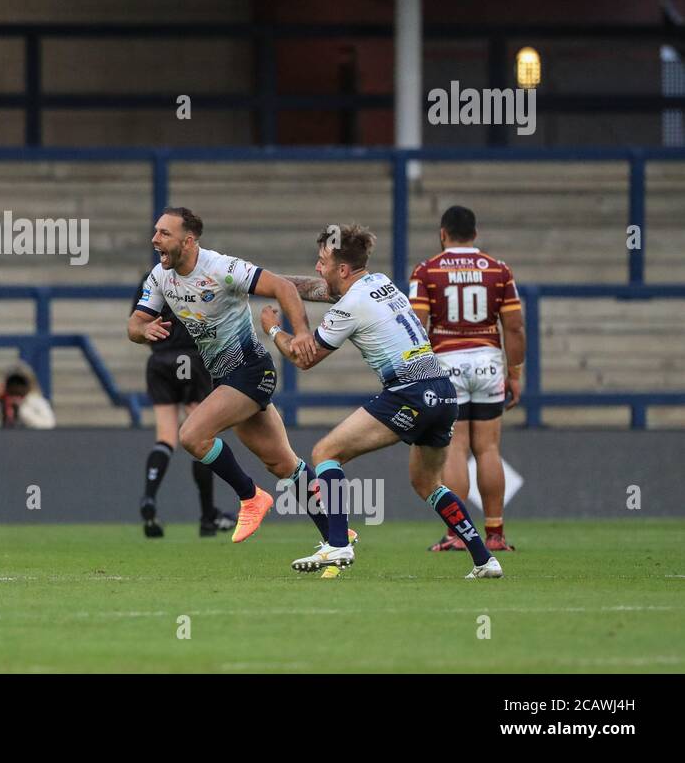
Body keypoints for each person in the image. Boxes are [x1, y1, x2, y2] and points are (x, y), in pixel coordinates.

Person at [264, 224, 502, 579]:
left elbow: (304, 359)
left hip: (410, 391)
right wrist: (268, 281)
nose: (317, 267)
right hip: (443, 391)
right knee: (428, 484)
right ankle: (485, 560)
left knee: (326, 453)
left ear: (342, 269)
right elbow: (317, 288)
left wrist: (272, 328)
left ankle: (337, 542)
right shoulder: (379, 284)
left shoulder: (351, 306)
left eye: (322, 261)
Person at [127, 207, 337, 547]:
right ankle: (336, 535)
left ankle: (251, 497)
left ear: (189, 241)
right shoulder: (160, 278)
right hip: (224, 378)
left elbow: (283, 287)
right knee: (283, 464)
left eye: (164, 233)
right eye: (156, 232)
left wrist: (300, 333)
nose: (155, 240)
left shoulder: (222, 268)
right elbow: (134, 324)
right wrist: (143, 329)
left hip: (251, 370)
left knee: (192, 436)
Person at [410, 206, 524, 553]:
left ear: (443, 233)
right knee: (488, 448)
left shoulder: (427, 271)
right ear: (475, 234)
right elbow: (515, 327)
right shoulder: (498, 270)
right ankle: (495, 533)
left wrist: (419, 372)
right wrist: (514, 372)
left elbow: (415, 325)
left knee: (455, 447)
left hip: (447, 362)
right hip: (489, 361)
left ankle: (458, 534)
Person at [133, 270, 235, 538]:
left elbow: (138, 324)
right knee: (202, 435)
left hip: (159, 361)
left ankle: (149, 499)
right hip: (191, 359)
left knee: (165, 438)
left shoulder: (150, 279)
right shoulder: (199, 276)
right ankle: (207, 516)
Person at [0, 363, 57, 429]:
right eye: (13, 383)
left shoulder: (36, 401)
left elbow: (49, 425)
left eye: (20, 383)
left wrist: (21, 410)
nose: (16, 388)